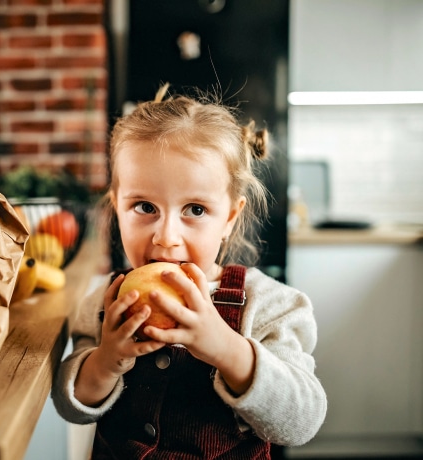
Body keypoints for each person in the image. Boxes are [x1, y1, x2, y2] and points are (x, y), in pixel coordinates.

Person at [51, 85, 327, 459]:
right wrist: (106, 360)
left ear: (229, 217)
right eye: (144, 206)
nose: (166, 238)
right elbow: (71, 407)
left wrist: (226, 348)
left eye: (194, 210)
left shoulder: (272, 306)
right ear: (117, 208)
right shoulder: (105, 302)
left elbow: (302, 422)